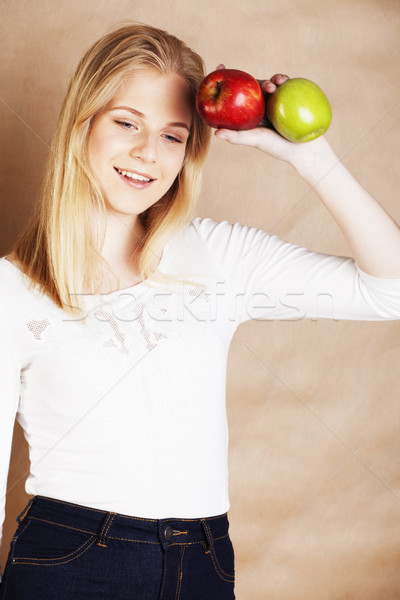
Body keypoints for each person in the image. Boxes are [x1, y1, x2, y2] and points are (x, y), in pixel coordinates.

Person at [0, 21, 399, 600]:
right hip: (71, 561)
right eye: (126, 123)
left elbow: (390, 290)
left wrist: (313, 158)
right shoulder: (13, 291)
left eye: (172, 135)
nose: (147, 153)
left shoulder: (217, 254)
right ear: (81, 123)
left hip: (205, 562)